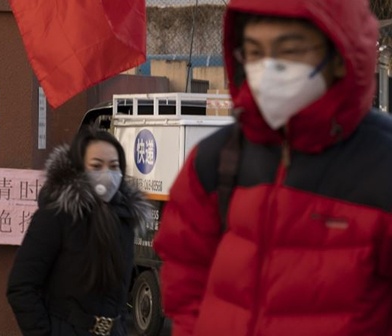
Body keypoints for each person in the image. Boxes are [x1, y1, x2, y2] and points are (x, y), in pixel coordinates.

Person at [153, 0, 392, 335]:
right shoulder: (215, 159)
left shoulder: (382, 166)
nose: (268, 69)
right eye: (254, 52)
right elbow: (184, 280)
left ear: (341, 56)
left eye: (289, 51)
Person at [7, 127, 150, 336]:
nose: (107, 174)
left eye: (114, 166)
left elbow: (119, 297)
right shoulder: (55, 216)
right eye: (96, 165)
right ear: (78, 168)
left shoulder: (124, 219)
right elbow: (21, 287)